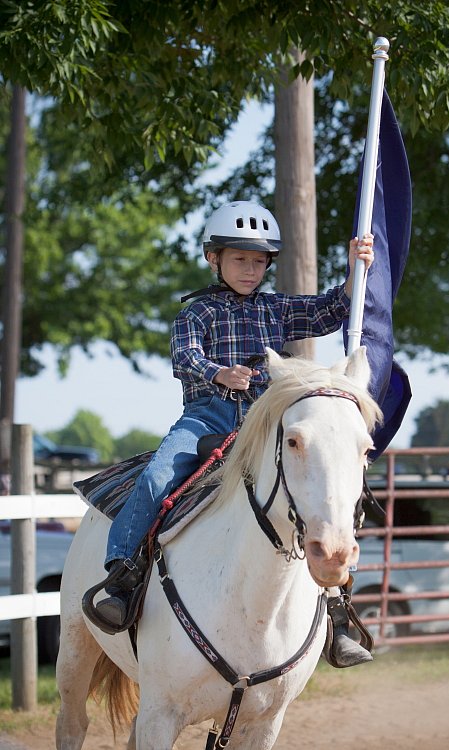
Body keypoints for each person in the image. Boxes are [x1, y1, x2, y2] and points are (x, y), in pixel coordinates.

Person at [93, 201, 374, 666]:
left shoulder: (277, 308)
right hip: (209, 415)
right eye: (240, 259)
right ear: (214, 259)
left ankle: (338, 616)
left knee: (320, 499)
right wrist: (218, 372)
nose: (250, 269)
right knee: (159, 474)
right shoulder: (196, 312)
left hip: (263, 421)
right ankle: (122, 577)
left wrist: (355, 270)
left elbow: (330, 311)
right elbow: (184, 357)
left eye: (259, 261)